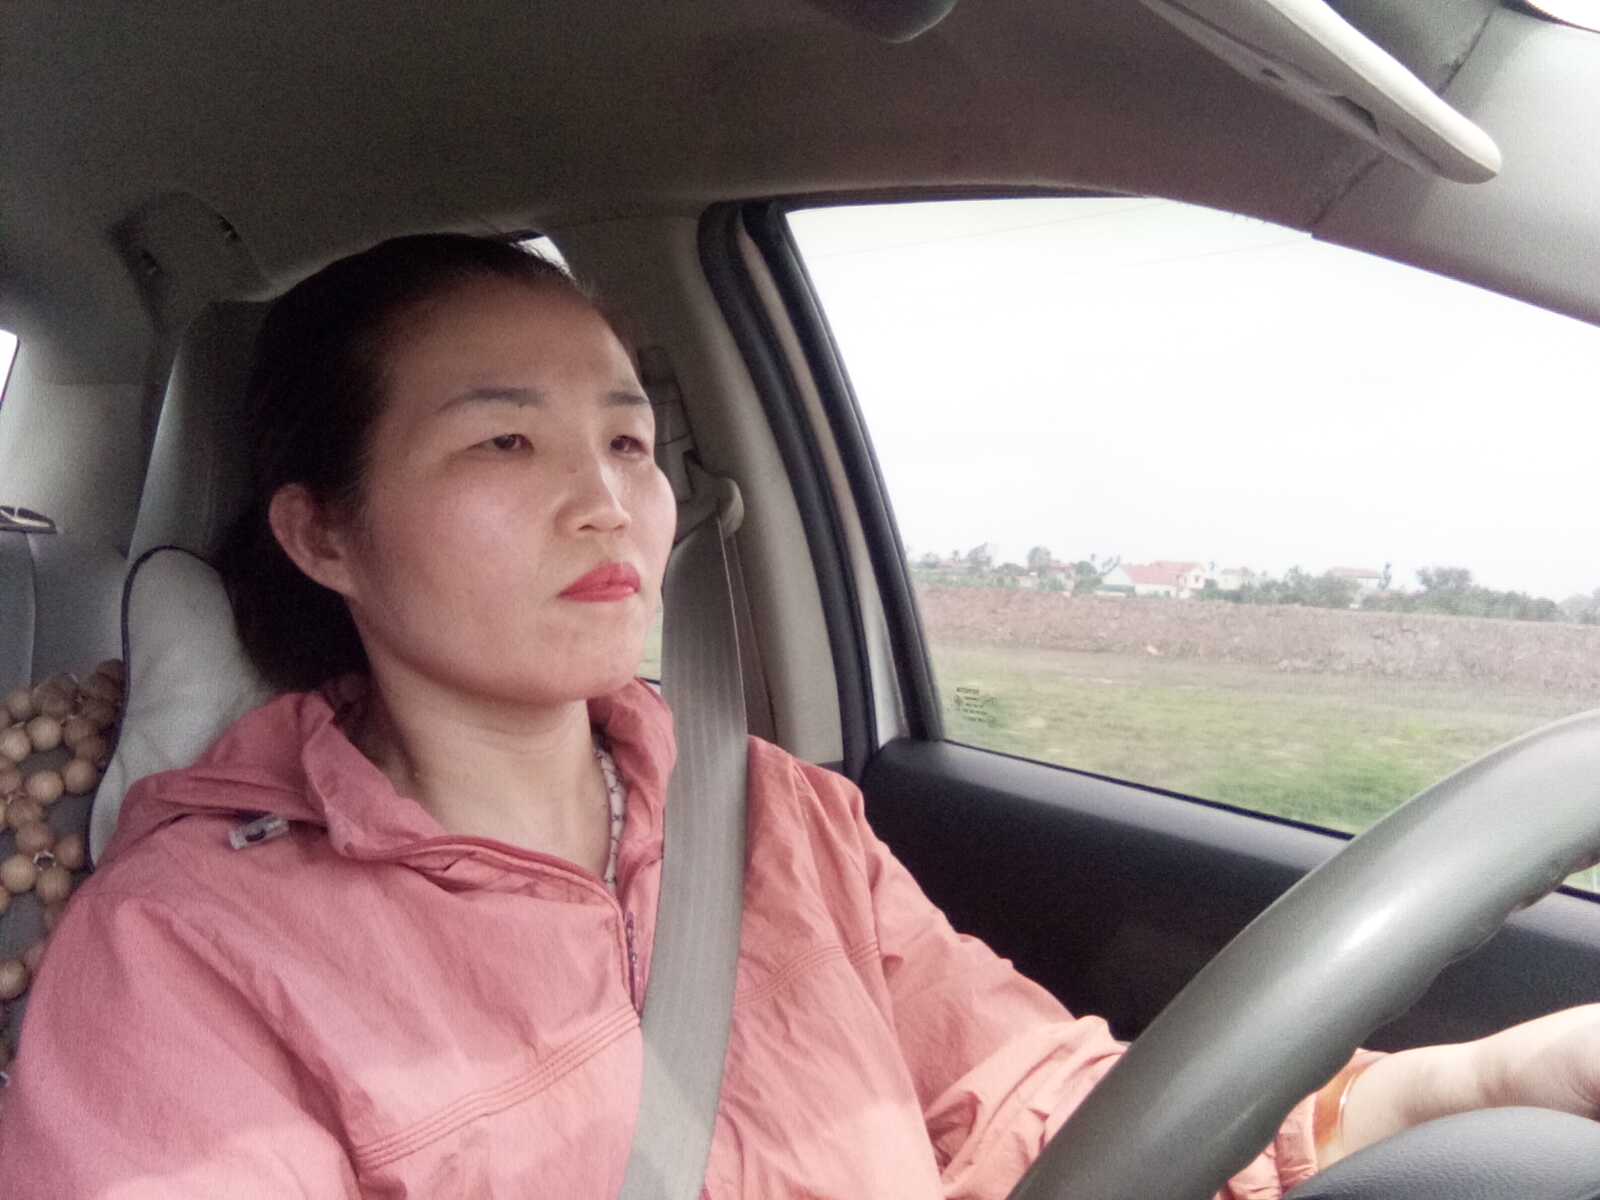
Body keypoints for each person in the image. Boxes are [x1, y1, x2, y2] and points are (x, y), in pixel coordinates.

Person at [0, 234, 1594, 1198]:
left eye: (631, 443)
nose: (604, 502)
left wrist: (1465, 1090)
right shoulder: (192, 947)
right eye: (504, 445)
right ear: (322, 533)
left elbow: (1024, 1109)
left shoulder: (769, 812)